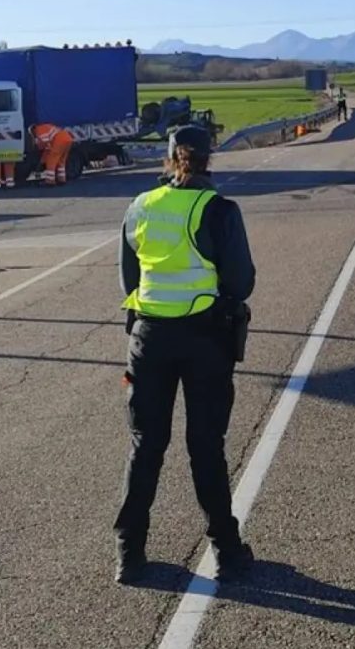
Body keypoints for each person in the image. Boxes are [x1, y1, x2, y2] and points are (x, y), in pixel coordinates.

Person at [114, 125, 256, 585]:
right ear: (209, 157)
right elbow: (240, 283)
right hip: (205, 340)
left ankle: (129, 554)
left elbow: (129, 281)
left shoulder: (141, 207)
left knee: (146, 446)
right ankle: (226, 551)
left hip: (150, 339)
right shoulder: (218, 210)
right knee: (205, 447)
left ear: (169, 157)